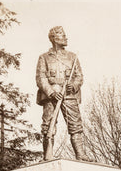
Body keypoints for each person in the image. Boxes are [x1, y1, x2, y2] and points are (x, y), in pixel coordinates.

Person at [36, 26, 88, 161]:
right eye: (62, 35)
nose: (66, 38)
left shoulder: (73, 57)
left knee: (75, 125)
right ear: (54, 38)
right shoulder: (44, 58)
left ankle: (80, 154)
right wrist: (51, 92)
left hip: (69, 94)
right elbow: (41, 78)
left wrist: (74, 85)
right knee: (48, 125)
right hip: (51, 96)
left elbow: (79, 76)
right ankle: (48, 155)